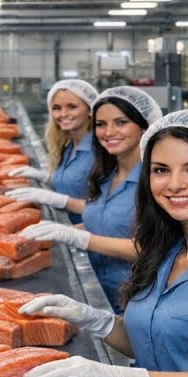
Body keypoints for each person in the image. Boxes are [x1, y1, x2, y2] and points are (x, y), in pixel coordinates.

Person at [22, 110, 188, 377]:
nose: (174, 184)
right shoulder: (166, 251)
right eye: (160, 170)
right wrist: (97, 320)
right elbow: (154, 343)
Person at [9, 86, 162, 307]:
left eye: (121, 122)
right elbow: (104, 222)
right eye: (101, 124)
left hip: (137, 300)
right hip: (98, 291)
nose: (109, 132)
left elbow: (152, 250)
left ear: (144, 127)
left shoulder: (154, 182)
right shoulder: (105, 175)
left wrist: (80, 238)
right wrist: (63, 230)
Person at [7, 79, 99, 224]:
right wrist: (45, 177)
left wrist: (58, 200)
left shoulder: (100, 151)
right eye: (56, 108)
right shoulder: (69, 145)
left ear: (90, 109)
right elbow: (73, 182)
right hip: (64, 225)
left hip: (87, 233)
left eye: (72, 107)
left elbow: (109, 212)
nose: (63, 114)